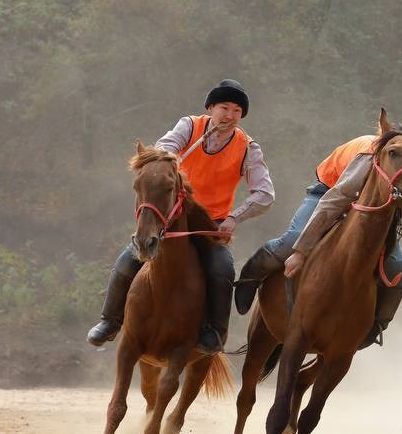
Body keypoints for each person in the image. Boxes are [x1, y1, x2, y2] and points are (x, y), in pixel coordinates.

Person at [86, 79, 275, 354]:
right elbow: (163, 149)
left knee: (222, 269)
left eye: (237, 111)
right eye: (224, 108)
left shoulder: (248, 148)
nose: (230, 115)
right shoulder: (189, 126)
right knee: (131, 256)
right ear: (210, 108)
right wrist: (167, 158)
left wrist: (235, 218)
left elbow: (265, 194)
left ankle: (214, 333)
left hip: (210, 224)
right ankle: (109, 320)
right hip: (174, 215)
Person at [235, 117, 402, 347]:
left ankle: (376, 324)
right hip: (329, 191)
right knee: (293, 240)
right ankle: (252, 275)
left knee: (398, 271)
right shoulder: (376, 152)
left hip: (369, 211)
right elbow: (338, 198)